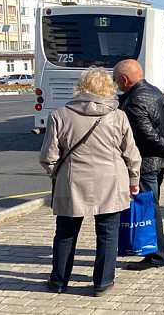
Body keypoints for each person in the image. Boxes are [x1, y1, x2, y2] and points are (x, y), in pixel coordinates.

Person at [40, 67, 141, 296]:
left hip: (72, 181)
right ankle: (103, 282)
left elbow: (48, 157)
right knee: (107, 232)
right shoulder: (118, 116)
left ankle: (58, 281)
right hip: (111, 182)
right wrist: (133, 179)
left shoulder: (59, 115)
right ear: (108, 88)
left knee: (66, 233)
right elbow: (132, 154)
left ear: (81, 86)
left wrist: (58, 174)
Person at [113, 59, 164, 271]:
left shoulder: (134, 101)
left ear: (124, 79)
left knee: (149, 211)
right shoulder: (154, 91)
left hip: (146, 164)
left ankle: (156, 255)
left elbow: (146, 135)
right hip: (157, 163)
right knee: (150, 208)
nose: (116, 85)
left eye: (116, 81)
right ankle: (151, 251)